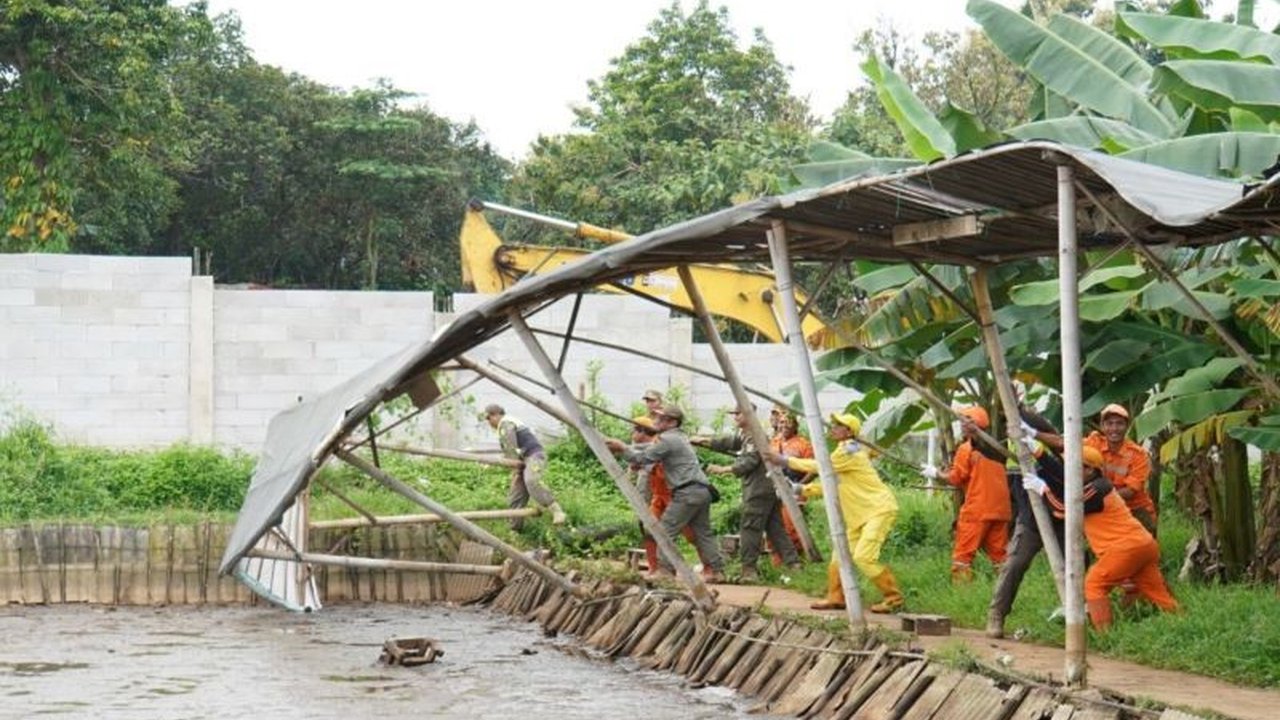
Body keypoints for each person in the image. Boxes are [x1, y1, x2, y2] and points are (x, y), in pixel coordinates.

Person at [1023, 445, 1179, 631]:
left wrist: (1043, 489)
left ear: (1089, 470)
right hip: (1144, 545)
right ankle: (1182, 622)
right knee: (1158, 593)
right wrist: (1039, 452)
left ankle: (1104, 634)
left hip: (1124, 548)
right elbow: (1060, 478)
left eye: (1073, 466)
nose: (1068, 470)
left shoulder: (1095, 490)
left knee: (1094, 584)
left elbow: (1063, 509)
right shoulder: (1095, 484)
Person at [765, 413, 903, 613]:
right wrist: (800, 489)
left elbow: (823, 467)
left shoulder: (850, 451)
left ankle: (894, 598)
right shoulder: (843, 451)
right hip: (858, 515)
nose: (833, 427)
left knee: (864, 557)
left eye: (839, 425)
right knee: (838, 556)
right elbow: (832, 483)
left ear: (849, 432)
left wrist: (786, 461)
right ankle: (836, 597)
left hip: (878, 510)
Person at [605, 403, 726, 582]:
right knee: (703, 533)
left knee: (664, 530)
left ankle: (665, 571)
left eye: (661, 418)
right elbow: (646, 450)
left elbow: (643, 457)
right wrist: (625, 448)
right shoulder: (678, 437)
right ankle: (717, 571)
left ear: (671, 422)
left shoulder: (668, 440)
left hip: (686, 492)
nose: (656, 420)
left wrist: (623, 448)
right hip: (701, 490)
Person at [986, 408, 1067, 638]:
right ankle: (996, 614)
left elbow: (1061, 443)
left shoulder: (1031, 420)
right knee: (1015, 564)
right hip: (1030, 517)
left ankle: (1078, 615)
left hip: (1061, 515)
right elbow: (991, 454)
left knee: (1076, 566)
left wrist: (1033, 435)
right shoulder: (1005, 433)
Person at [705, 405, 799, 581]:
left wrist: (722, 469)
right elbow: (731, 442)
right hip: (766, 487)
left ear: (749, 415)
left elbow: (749, 461)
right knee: (775, 529)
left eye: (738, 414)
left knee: (750, 527)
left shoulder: (755, 436)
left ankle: (749, 571)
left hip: (758, 489)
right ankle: (794, 564)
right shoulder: (747, 434)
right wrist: (704, 441)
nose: (735, 417)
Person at [924, 406, 1011, 583]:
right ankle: (1004, 590)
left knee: (963, 555)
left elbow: (956, 478)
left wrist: (935, 474)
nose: (961, 424)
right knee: (1000, 557)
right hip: (1001, 510)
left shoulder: (967, 448)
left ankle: (963, 594)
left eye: (965, 420)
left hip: (977, 509)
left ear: (974, 424)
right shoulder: (999, 448)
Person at [629, 415, 714, 579]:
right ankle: (656, 569)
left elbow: (650, 461)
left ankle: (709, 567)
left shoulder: (664, 443)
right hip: (658, 496)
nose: (633, 433)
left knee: (692, 534)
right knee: (650, 530)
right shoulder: (651, 445)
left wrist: (636, 459)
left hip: (675, 494)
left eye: (636, 429)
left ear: (644, 432)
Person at [483, 404, 566, 527]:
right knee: (516, 496)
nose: (489, 423)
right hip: (522, 461)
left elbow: (511, 450)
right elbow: (510, 452)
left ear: (495, 415)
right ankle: (515, 529)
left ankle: (556, 510)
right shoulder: (505, 425)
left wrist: (515, 471)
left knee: (531, 480)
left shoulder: (506, 424)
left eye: (488, 419)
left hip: (534, 456)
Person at [769, 411, 812, 561]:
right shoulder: (774, 442)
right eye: (781, 422)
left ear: (795, 426)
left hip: (795, 489)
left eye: (788, 422)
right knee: (774, 524)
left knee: (792, 527)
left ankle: (797, 560)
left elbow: (813, 468)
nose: (784, 425)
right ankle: (777, 561)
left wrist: (800, 485)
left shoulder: (803, 444)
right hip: (775, 488)